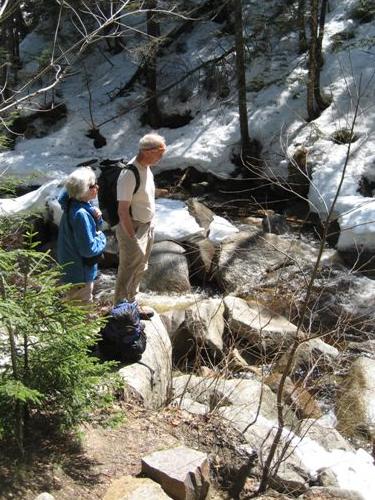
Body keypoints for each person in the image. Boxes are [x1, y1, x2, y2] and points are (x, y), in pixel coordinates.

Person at [114, 132, 167, 316]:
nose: (163, 155)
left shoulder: (147, 168)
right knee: (128, 268)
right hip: (132, 228)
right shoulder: (129, 173)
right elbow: (122, 210)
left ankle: (132, 304)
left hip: (147, 226)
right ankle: (120, 310)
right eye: (161, 151)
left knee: (141, 267)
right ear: (148, 151)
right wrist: (132, 237)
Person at [57, 166, 107, 303]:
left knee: (71, 306)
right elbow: (88, 250)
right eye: (92, 185)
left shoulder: (72, 204)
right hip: (79, 272)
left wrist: (97, 218)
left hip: (71, 268)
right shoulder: (81, 214)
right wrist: (102, 238)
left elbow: (90, 231)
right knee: (82, 312)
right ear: (83, 189)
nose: (97, 187)